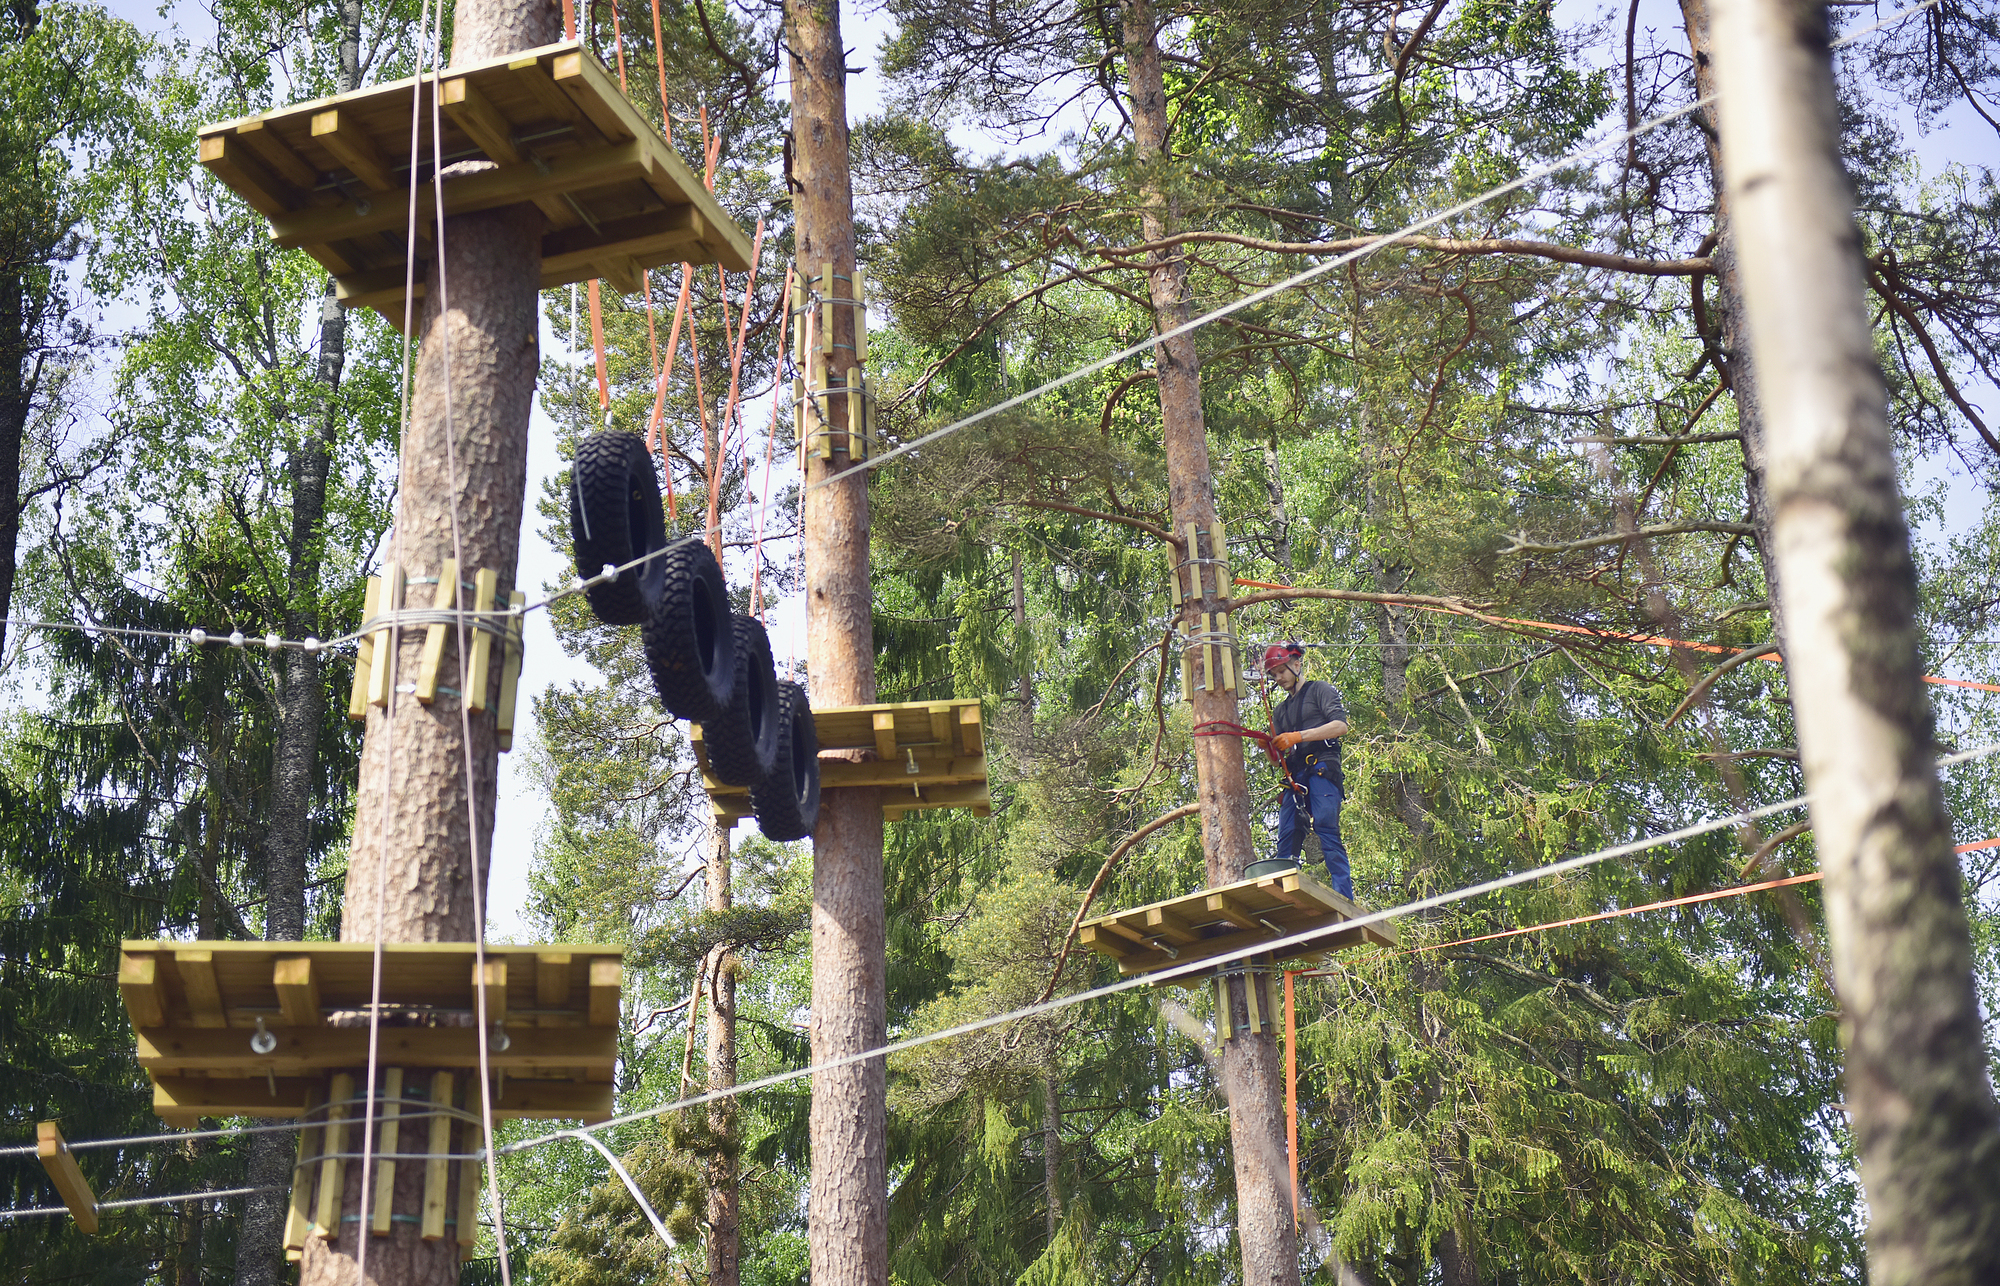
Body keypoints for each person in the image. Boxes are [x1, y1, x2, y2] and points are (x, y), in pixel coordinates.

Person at [1263, 641, 1353, 899]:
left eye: (1282, 671)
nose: (1279, 678)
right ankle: (1283, 898)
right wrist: (1268, 747)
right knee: (1287, 835)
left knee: (1326, 827)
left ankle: (1344, 896)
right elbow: (1276, 758)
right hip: (1295, 777)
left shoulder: (1319, 690)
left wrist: (1297, 737)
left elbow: (1340, 726)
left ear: (1296, 664)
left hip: (1322, 768)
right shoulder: (1280, 711)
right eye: (1274, 674)